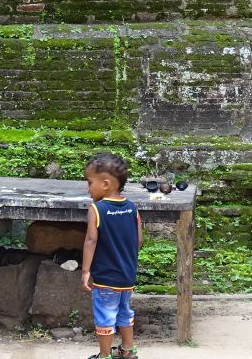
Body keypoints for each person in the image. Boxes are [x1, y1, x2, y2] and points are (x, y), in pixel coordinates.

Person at [80, 152, 143, 359]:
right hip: (127, 276)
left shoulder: (97, 209)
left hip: (106, 278)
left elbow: (91, 240)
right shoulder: (132, 208)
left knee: (105, 316)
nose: (88, 188)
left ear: (105, 184)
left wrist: (86, 270)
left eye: (89, 182)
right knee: (125, 313)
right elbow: (139, 241)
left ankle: (105, 355)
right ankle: (127, 350)